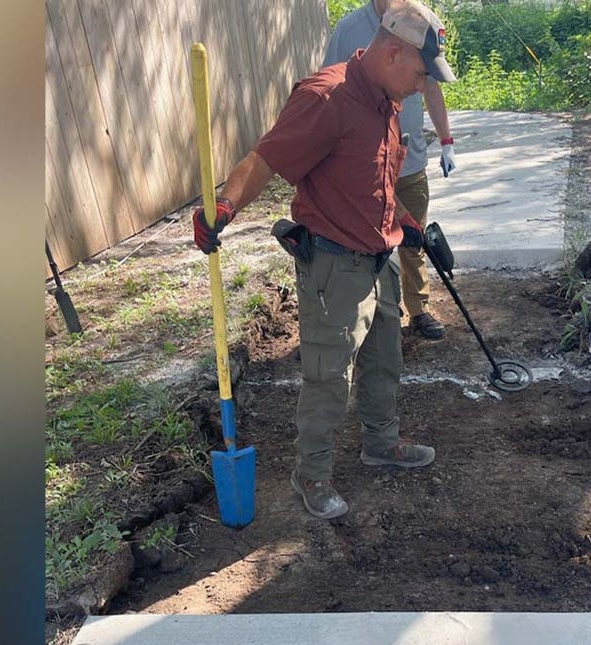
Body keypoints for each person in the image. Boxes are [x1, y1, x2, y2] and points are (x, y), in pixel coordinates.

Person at [190, 0, 457, 519]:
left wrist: (407, 222)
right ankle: (311, 474)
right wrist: (223, 207)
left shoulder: (385, 97)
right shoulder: (326, 97)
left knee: (384, 359)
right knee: (329, 376)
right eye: (423, 73)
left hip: (378, 254)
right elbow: (265, 157)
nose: (424, 85)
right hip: (333, 265)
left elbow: (375, 179)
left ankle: (381, 445)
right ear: (394, 52)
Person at [323, 0, 456, 341]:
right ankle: (380, 313)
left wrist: (446, 140)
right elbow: (330, 87)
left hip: (409, 161)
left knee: (414, 237)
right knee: (370, 241)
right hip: (366, 164)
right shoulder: (349, 30)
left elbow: (433, 84)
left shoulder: (423, 20)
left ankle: (419, 308)